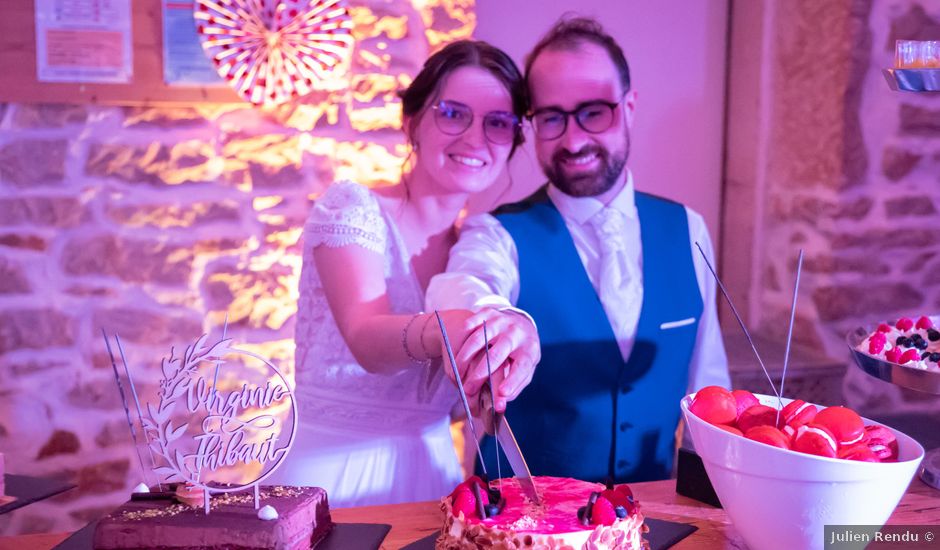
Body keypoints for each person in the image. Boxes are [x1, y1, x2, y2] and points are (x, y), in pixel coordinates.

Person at [427, 17, 731, 484]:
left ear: (628, 106)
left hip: (651, 522)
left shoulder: (687, 227)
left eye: (594, 112)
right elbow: (464, 284)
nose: (573, 140)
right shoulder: (497, 232)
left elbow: (710, 389)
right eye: (551, 118)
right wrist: (493, 317)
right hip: (519, 526)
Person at [270, 40, 541, 507]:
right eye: (454, 114)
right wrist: (444, 331)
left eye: (497, 124)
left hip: (433, 472)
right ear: (411, 120)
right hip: (330, 473)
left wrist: (502, 354)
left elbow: (463, 404)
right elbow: (364, 338)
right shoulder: (353, 208)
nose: (475, 139)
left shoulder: (479, 246)